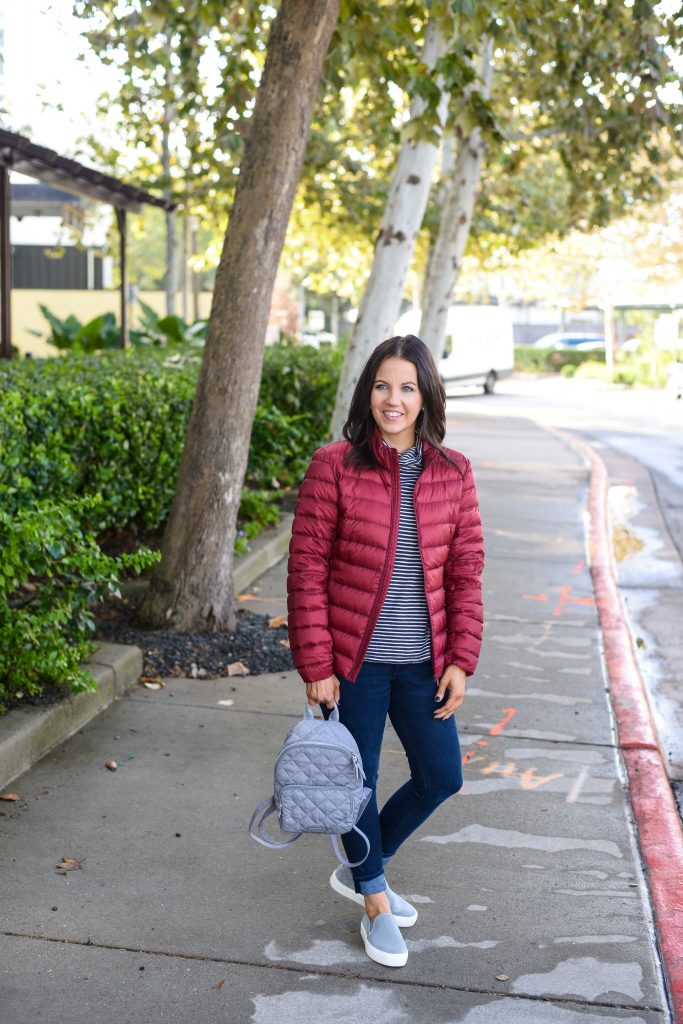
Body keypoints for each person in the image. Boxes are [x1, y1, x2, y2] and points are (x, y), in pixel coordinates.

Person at [286, 334, 484, 968]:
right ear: (366, 391)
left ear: (425, 395)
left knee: (441, 776)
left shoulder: (453, 472)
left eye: (406, 387)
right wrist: (316, 665)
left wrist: (460, 660)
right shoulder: (334, 465)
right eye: (381, 385)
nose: (392, 400)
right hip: (356, 663)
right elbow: (307, 567)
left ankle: (362, 865)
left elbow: (466, 572)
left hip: (425, 662)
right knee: (356, 785)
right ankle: (373, 900)